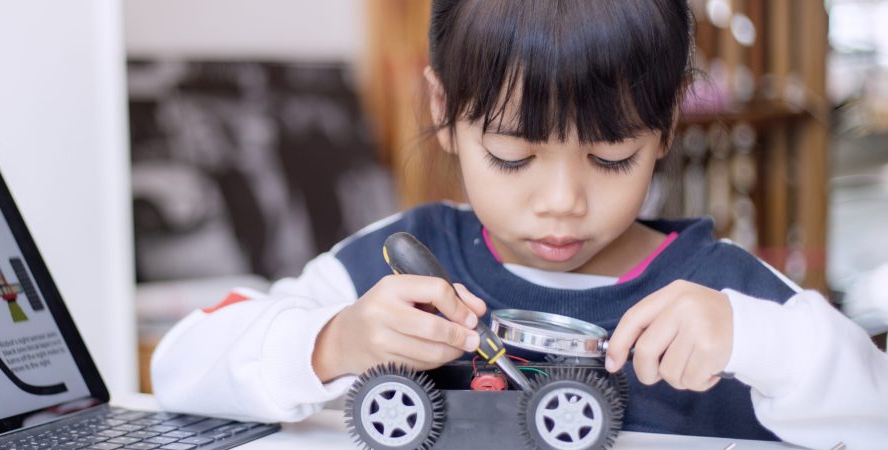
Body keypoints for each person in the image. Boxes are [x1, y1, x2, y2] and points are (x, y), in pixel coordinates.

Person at [151, 1, 888, 448]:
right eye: (512, 156)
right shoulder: (399, 260)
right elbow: (180, 365)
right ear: (444, 113)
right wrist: (332, 341)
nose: (561, 201)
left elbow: (874, 411)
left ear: (666, 123)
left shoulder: (725, 293)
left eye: (610, 157)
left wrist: (760, 342)